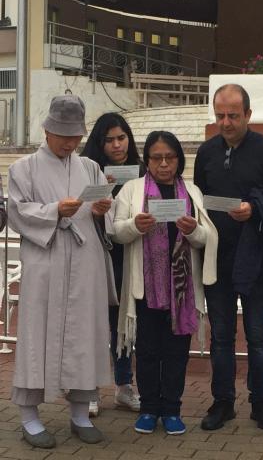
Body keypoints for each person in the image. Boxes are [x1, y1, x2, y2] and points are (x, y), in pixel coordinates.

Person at [8, 95, 114, 448]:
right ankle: (29, 416)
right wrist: (55, 210)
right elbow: (18, 212)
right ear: (47, 130)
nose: (70, 143)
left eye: (75, 137)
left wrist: (101, 210)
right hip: (46, 258)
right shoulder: (22, 168)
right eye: (63, 136)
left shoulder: (90, 167)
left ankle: (81, 412)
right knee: (37, 334)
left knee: (85, 334)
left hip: (85, 260)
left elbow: (104, 215)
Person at [194, 84, 263, 431]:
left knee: (257, 336)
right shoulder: (206, 153)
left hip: (256, 258)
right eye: (219, 115)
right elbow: (198, 199)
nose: (225, 122)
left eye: (233, 115)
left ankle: (261, 403)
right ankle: (222, 402)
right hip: (216, 258)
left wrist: (255, 209)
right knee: (220, 336)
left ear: (248, 115)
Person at [113, 131, 218, 436]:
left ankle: (171, 409)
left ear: (179, 160)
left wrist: (194, 230)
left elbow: (206, 238)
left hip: (181, 290)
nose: (163, 164)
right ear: (146, 161)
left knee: (175, 350)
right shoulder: (132, 190)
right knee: (146, 349)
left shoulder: (192, 192)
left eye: (169, 157)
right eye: (156, 158)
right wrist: (135, 226)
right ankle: (148, 409)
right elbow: (116, 231)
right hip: (146, 286)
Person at [81, 113, 144, 416]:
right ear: (99, 142)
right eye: (110, 140)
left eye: (122, 138)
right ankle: (89, 389)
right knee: (93, 323)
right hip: (93, 256)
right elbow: (77, 210)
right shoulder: (85, 169)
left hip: (128, 256)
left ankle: (124, 386)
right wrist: (99, 193)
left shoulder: (142, 172)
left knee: (123, 324)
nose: (117, 145)